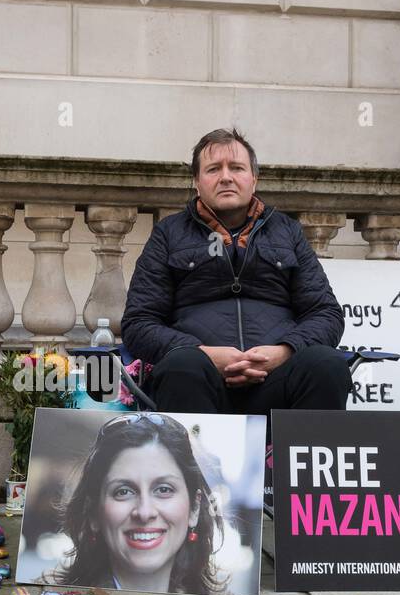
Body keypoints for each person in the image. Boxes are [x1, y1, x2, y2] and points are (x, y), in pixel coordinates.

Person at [121, 127, 349, 417]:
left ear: (253, 179)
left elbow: (326, 313)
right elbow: (139, 322)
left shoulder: (287, 231)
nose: (226, 177)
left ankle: (306, 462)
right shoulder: (168, 234)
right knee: (181, 366)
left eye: (237, 168)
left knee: (326, 364)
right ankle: (194, 463)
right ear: (197, 181)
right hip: (199, 377)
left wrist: (283, 352)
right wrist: (203, 353)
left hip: (278, 378)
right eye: (214, 169)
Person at [45, 412, 229, 595]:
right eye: (123, 491)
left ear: (194, 509)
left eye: (164, 489)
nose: (144, 512)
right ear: (93, 512)